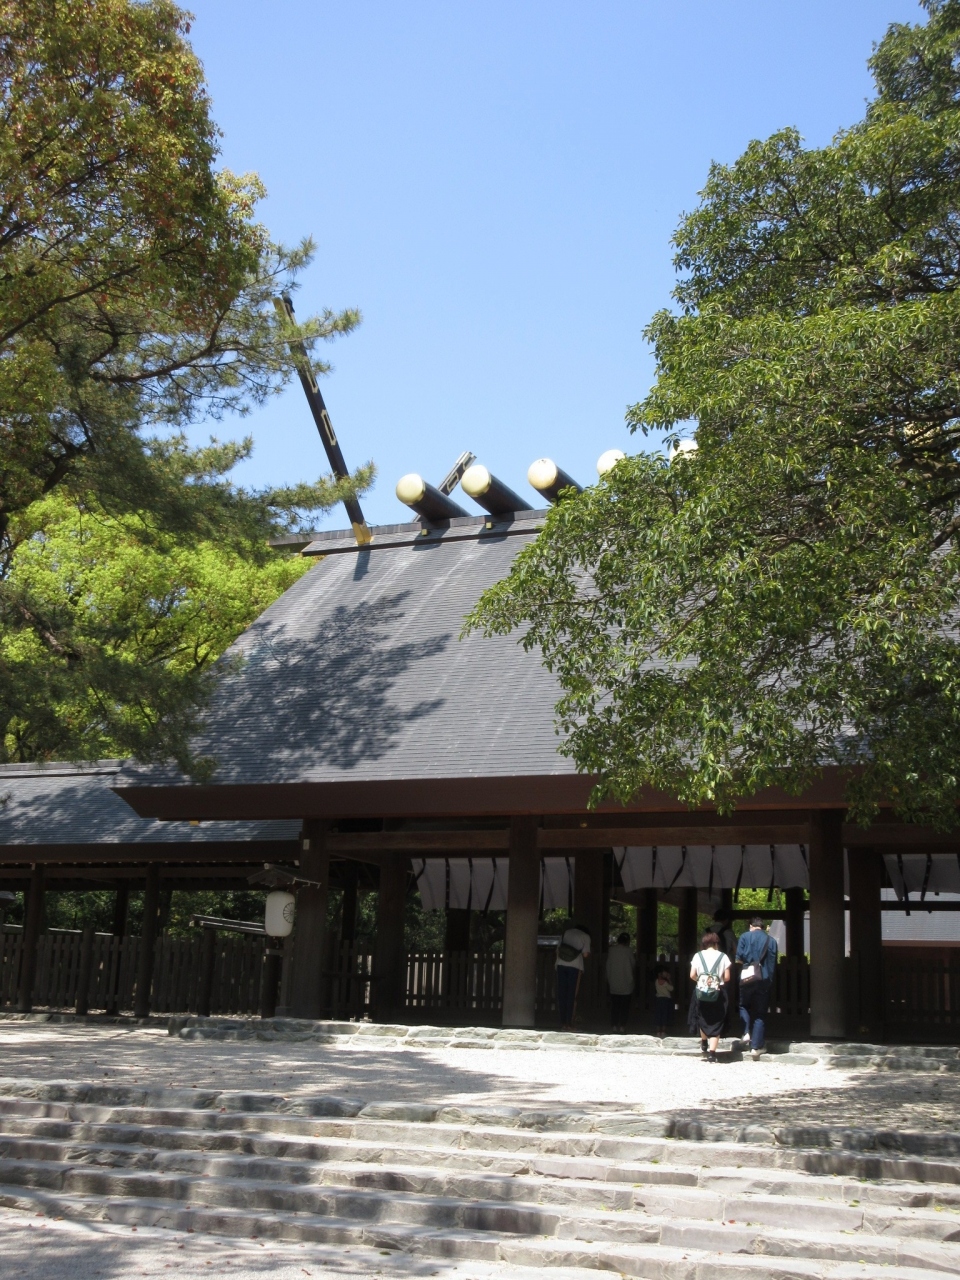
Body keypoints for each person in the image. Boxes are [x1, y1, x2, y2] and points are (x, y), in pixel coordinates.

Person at [736, 916, 778, 1059]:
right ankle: (756, 1047)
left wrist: (747, 965)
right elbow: (772, 963)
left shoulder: (744, 937)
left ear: (751, 926)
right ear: (762, 926)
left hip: (747, 978)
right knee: (760, 1013)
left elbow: (738, 959)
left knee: (743, 1005)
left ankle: (746, 1032)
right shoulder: (771, 941)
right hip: (763, 979)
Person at [690, 930, 732, 1063]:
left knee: (702, 1018)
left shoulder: (698, 956)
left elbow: (692, 975)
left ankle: (704, 1041)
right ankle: (712, 1054)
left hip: (701, 992)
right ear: (716, 943)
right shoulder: (723, 957)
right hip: (718, 993)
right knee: (717, 1020)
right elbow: (727, 977)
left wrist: (702, 982)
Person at [555, 922, 591, 1030]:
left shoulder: (565, 933)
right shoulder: (585, 936)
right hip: (575, 966)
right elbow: (585, 954)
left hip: (560, 964)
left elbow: (557, 949)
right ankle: (569, 1023)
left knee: (562, 994)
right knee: (572, 994)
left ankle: (563, 1023)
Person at [605, 931, 635, 1032]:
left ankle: (614, 1025)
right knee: (625, 1006)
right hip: (626, 981)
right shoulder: (629, 951)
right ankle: (622, 1026)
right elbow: (633, 964)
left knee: (615, 1005)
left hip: (614, 980)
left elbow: (608, 965)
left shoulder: (611, 950)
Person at [653, 967, 674, 1038]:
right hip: (665, 1000)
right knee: (664, 1015)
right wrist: (669, 979)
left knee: (658, 1015)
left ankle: (658, 1032)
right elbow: (671, 988)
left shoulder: (656, 981)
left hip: (658, 999)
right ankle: (663, 1032)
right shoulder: (665, 983)